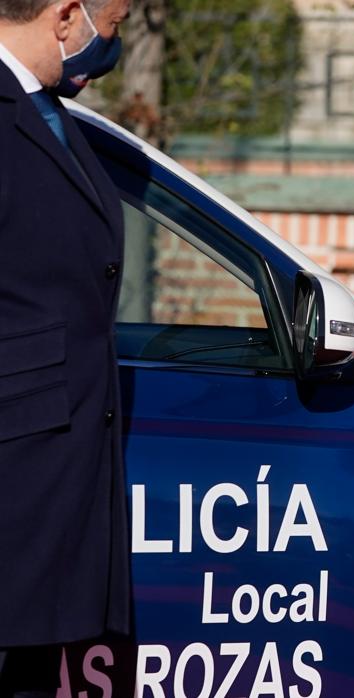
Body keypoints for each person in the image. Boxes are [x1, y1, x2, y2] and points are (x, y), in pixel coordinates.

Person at [0, 0, 130, 694]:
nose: (111, 45)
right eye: (113, 25)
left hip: (51, 477)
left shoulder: (53, 117)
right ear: (66, 16)